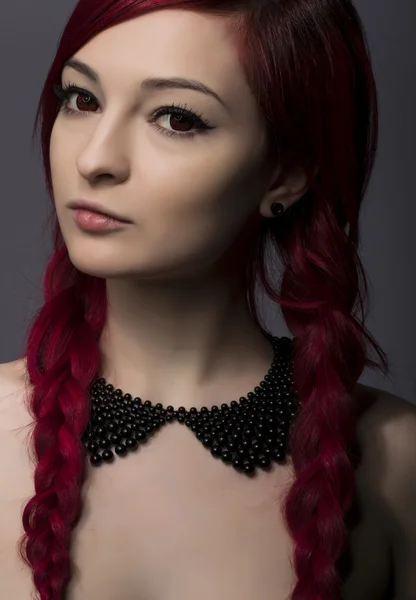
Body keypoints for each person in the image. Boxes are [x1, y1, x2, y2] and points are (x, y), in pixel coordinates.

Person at [0, 1, 414, 599]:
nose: (94, 160)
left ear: (287, 175)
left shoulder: (398, 461)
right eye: (81, 99)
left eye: (176, 118)